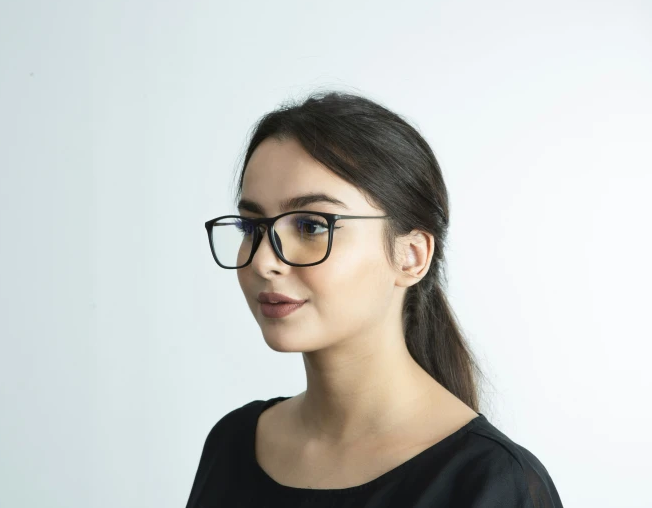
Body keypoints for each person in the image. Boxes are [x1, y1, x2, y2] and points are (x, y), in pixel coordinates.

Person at [186, 90, 564, 507]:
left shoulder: (491, 482)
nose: (264, 262)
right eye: (250, 226)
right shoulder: (233, 444)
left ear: (411, 256)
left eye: (311, 226)